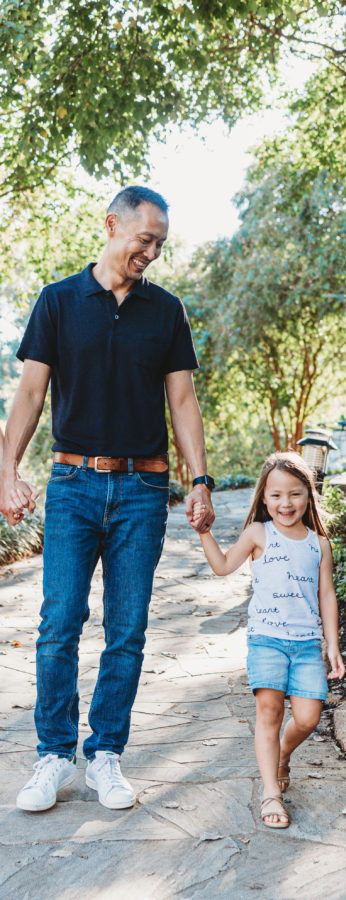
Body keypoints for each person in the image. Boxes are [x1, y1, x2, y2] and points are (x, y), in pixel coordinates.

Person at [0, 186, 215, 813]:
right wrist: (6, 469)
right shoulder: (59, 301)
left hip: (144, 488)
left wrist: (199, 480)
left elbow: (182, 402)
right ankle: (52, 754)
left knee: (127, 627)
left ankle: (105, 755)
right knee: (59, 623)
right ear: (112, 225)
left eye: (159, 244)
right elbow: (30, 394)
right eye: (143, 238)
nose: (150, 252)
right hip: (73, 485)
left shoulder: (166, 311)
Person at [192, 451, 345, 828]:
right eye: (276, 495)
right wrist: (204, 533)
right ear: (263, 497)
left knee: (308, 718)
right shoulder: (259, 533)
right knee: (270, 713)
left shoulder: (319, 544)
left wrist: (334, 645)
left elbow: (327, 595)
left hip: (308, 644)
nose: (285, 503)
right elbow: (223, 566)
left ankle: (281, 756)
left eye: (294, 494)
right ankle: (270, 794)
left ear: (309, 496)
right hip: (267, 640)